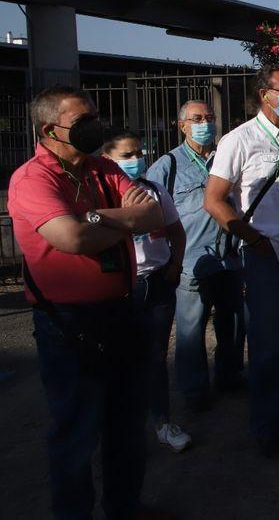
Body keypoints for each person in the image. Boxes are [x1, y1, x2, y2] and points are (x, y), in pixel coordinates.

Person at [9, 86, 166, 519]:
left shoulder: (102, 168)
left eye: (95, 117)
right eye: (82, 122)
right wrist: (122, 220)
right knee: (76, 432)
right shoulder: (33, 179)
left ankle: (124, 508)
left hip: (121, 311)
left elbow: (153, 215)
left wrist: (97, 217)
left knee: (127, 426)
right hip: (68, 324)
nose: (95, 127)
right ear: (49, 130)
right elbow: (71, 239)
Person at [205, 67, 279, 459]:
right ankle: (266, 425)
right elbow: (215, 199)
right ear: (265, 95)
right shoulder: (238, 140)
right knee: (266, 345)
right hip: (266, 256)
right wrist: (252, 238)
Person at [145, 100, 246, 414]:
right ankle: (194, 390)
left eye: (210, 117)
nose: (205, 124)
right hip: (191, 262)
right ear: (182, 125)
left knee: (233, 321)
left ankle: (230, 376)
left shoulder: (226, 158)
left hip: (230, 257)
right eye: (197, 118)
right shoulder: (167, 166)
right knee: (191, 330)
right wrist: (169, 260)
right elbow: (151, 213)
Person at [102, 131, 191, 454]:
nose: (136, 159)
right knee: (118, 360)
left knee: (154, 358)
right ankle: (119, 431)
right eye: (126, 155)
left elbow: (176, 232)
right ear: (108, 159)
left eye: (138, 152)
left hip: (156, 283)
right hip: (120, 288)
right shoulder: (101, 197)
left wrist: (175, 265)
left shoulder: (154, 191)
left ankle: (162, 423)